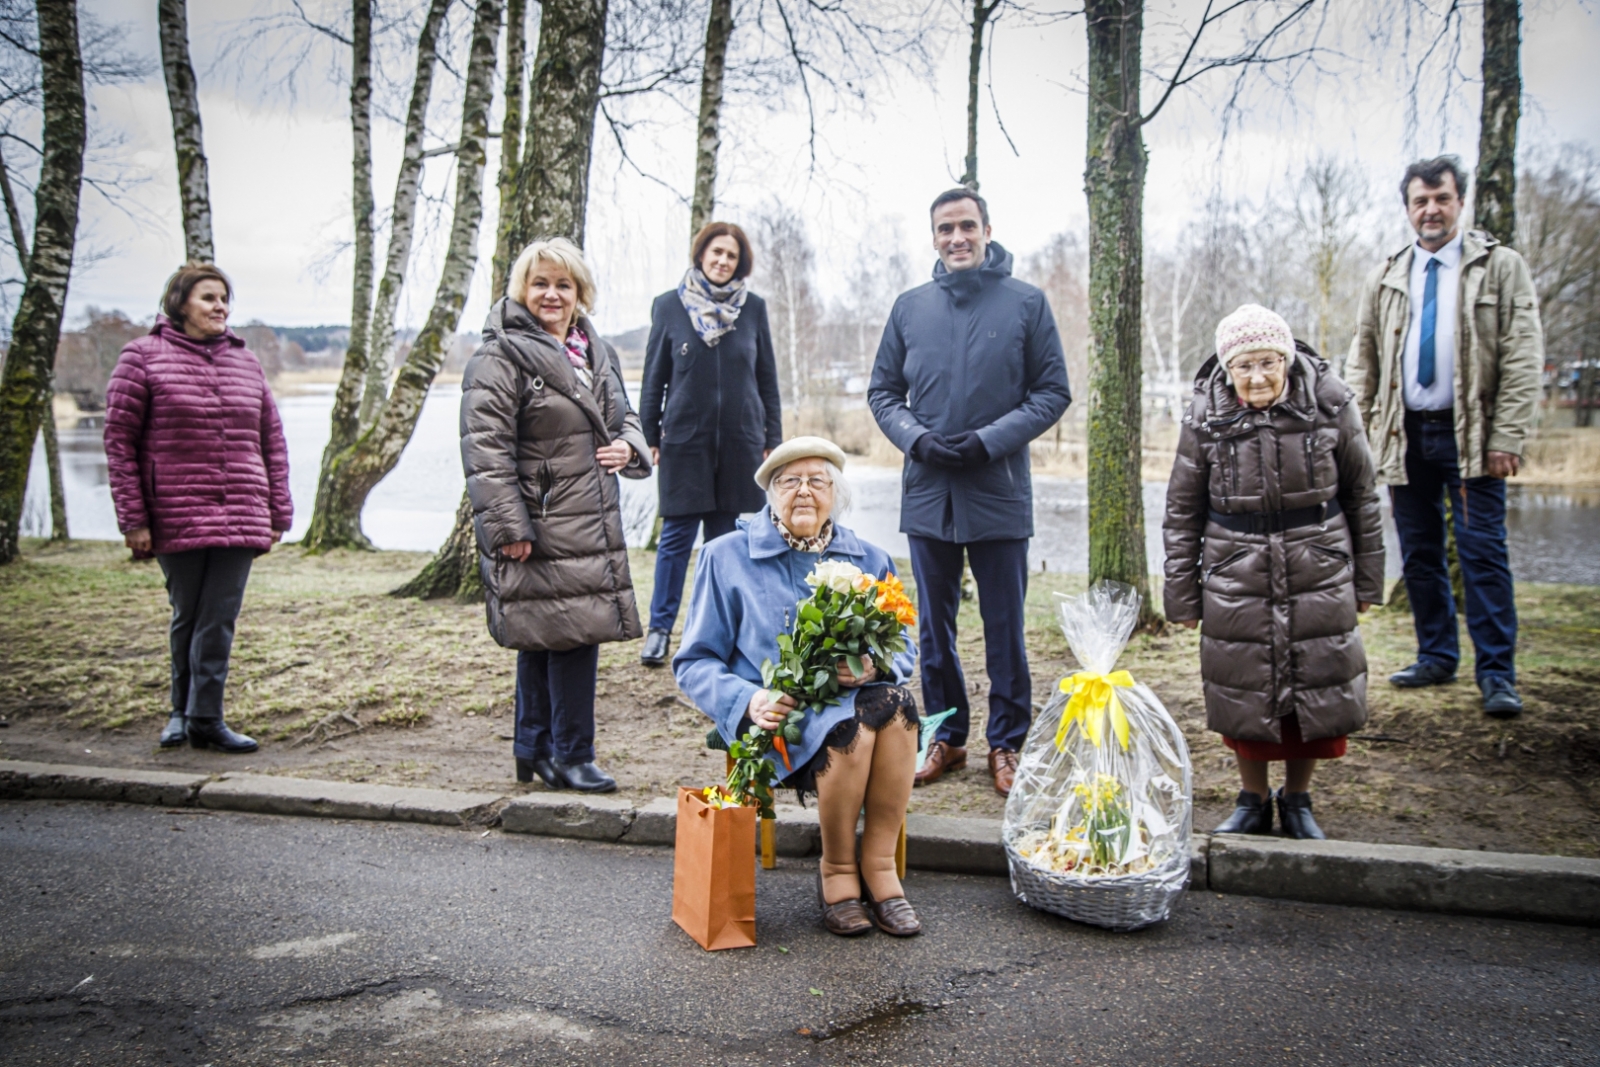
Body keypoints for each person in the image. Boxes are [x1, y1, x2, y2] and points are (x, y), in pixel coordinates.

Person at [867, 187, 1071, 798]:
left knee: (1004, 626)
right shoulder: (909, 309)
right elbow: (882, 393)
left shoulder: (1026, 304)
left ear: (987, 230)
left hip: (998, 490)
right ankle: (948, 737)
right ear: (933, 237)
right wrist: (916, 440)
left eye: (967, 226)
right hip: (929, 492)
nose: (957, 237)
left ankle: (1006, 743)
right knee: (933, 627)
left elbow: (1052, 392)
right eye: (945, 229)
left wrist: (988, 441)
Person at [675, 437, 922, 937]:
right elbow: (694, 662)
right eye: (790, 481)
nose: (804, 492)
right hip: (783, 715)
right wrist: (750, 699)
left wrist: (874, 665)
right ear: (770, 493)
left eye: (817, 480)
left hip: (863, 703)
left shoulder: (868, 559)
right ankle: (836, 872)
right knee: (852, 729)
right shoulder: (726, 557)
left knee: (897, 707)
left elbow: (906, 649)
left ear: (837, 494)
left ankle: (879, 869)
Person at [1164, 305, 1385, 840]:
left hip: (1319, 562)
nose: (1257, 377)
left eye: (1268, 362)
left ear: (1286, 358)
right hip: (1235, 568)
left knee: (1315, 685)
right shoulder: (1204, 417)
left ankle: (1300, 799)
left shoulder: (1331, 403)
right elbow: (1181, 510)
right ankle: (1252, 798)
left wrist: (1367, 581)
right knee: (1245, 691)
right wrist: (1183, 595)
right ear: (1226, 368)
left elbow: (1363, 495)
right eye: (1244, 366)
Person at [1346, 156, 1544, 719]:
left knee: (1483, 554)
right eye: (1420, 201)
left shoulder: (1500, 268)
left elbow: (1523, 357)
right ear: (1407, 208)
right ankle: (1435, 655)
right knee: (1421, 554)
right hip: (1405, 435)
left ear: (1460, 202)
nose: (1431, 210)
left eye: (1442, 199)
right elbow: (1364, 357)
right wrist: (1358, 434)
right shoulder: (1386, 274)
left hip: (1474, 437)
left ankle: (1497, 674)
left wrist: (1508, 435)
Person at [461, 237, 652, 793]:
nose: (551, 294)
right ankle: (572, 754)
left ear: (579, 293)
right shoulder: (499, 355)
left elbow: (626, 417)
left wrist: (629, 449)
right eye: (540, 283)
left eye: (563, 284)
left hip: (588, 515)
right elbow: (485, 449)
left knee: (549, 633)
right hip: (541, 518)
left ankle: (534, 749)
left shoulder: (597, 350)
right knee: (571, 633)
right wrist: (508, 528)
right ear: (522, 289)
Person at [103, 264, 293, 754]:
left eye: (225, 298)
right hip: (176, 510)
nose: (220, 306)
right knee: (188, 613)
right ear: (180, 303)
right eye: (208, 297)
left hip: (243, 508)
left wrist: (279, 512)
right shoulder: (141, 358)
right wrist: (134, 519)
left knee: (220, 617)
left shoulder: (245, 363)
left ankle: (206, 718)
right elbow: (120, 444)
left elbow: (271, 440)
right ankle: (178, 714)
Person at [637, 221, 782, 668]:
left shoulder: (753, 309)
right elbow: (653, 379)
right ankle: (660, 630)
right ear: (701, 254)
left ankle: (719, 634)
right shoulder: (669, 306)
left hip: (741, 444)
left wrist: (772, 441)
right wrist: (648, 436)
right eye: (716, 252)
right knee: (676, 540)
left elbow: (767, 381)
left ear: (740, 264)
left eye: (731, 256)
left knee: (726, 546)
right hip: (683, 442)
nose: (722, 261)